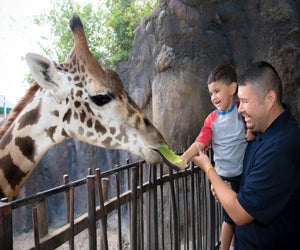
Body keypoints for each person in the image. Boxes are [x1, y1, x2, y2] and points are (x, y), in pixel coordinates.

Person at [190, 61, 300, 249]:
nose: (240, 108)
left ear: (269, 99)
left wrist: (209, 169)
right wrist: (225, 190)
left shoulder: (280, 147)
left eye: (245, 102)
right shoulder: (261, 132)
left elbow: (240, 213)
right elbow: (246, 192)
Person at [181, 63, 253, 250]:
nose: (213, 97)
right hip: (223, 177)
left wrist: (251, 132)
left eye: (217, 91)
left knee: (242, 217)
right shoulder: (211, 119)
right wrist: (183, 160)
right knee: (229, 219)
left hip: (244, 174)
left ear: (232, 89)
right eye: (211, 93)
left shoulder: (241, 109)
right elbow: (199, 143)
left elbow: (254, 124)